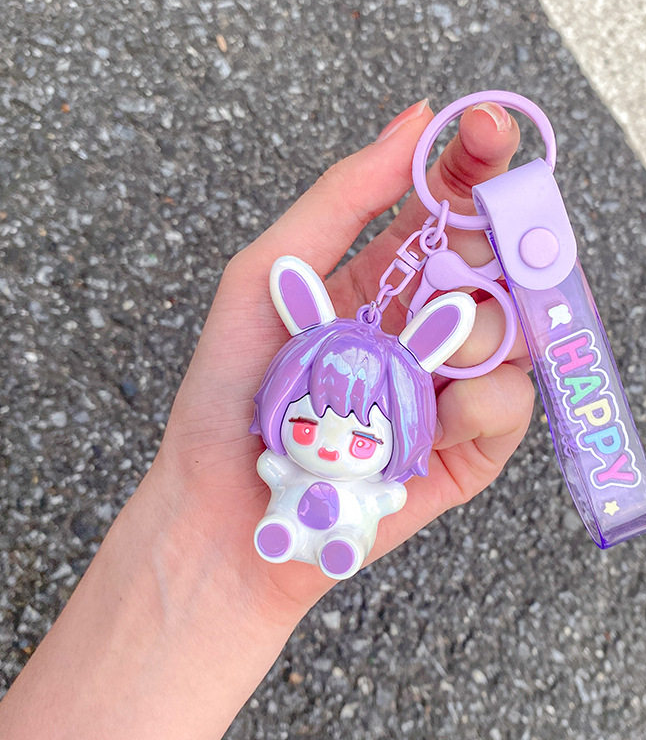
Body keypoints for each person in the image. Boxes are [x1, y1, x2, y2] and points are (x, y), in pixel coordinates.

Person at [0, 99, 535, 739]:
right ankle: (290, 533)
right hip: (286, 509)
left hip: (342, 515)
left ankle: (333, 543)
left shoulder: (370, 462)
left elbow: (379, 491)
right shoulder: (287, 447)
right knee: (293, 517)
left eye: (363, 436)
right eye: (307, 427)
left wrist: (366, 497)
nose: (331, 447)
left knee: (348, 522)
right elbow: (273, 466)